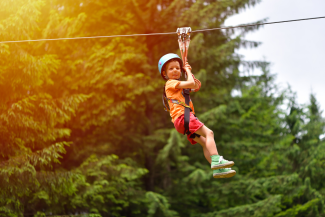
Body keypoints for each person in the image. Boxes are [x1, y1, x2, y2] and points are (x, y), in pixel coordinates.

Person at [158, 53, 236, 178]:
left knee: (205, 142)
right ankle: (217, 160)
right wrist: (187, 71)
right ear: (165, 74)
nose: (175, 70)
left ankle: (217, 169)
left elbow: (195, 85)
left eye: (178, 68)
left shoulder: (178, 87)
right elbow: (190, 83)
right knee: (209, 133)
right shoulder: (170, 83)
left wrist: (189, 72)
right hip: (183, 117)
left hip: (182, 121)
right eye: (171, 68)